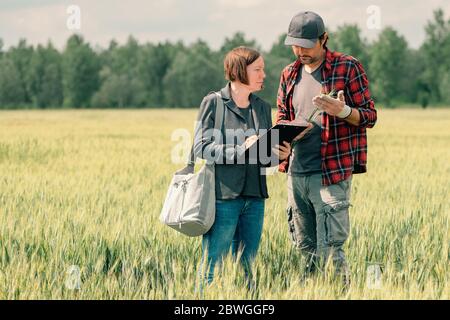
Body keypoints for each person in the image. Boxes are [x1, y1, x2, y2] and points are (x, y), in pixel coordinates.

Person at [277, 11, 377, 287]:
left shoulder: (348, 67)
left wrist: (343, 111)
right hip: (296, 173)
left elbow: (369, 116)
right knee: (304, 248)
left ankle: (337, 293)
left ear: (324, 39)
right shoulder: (289, 73)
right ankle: (310, 292)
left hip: (331, 173)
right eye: (295, 45)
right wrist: (283, 143)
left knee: (332, 249)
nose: (301, 51)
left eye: (307, 45)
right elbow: (282, 118)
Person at [193, 46, 298, 292]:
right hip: (223, 198)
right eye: (258, 70)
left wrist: (279, 155)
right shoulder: (214, 103)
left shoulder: (261, 107)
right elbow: (201, 147)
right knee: (212, 265)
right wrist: (241, 149)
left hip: (255, 197)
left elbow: (263, 156)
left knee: (248, 267)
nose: (264, 75)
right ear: (240, 71)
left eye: (263, 69)